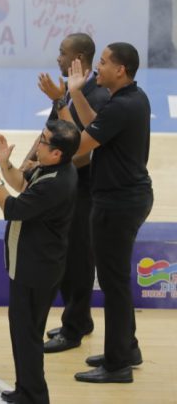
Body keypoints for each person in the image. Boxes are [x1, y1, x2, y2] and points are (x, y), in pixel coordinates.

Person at [0, 120, 80, 404]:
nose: (38, 143)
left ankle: (34, 395)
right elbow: (21, 183)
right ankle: (25, 389)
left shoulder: (56, 184)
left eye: (43, 141)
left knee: (27, 334)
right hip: (34, 266)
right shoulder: (55, 168)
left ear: (57, 152)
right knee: (23, 332)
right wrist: (5, 163)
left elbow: (12, 207)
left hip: (36, 271)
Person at [66, 43, 153, 384]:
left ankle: (118, 365)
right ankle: (126, 348)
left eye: (102, 63)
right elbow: (97, 126)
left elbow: (81, 146)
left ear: (121, 70)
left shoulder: (123, 106)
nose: (96, 68)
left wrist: (56, 130)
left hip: (117, 204)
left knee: (114, 285)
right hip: (129, 198)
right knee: (117, 281)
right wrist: (77, 94)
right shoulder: (131, 99)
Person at [36, 33, 109, 353]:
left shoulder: (99, 96)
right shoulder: (66, 92)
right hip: (66, 187)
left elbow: (83, 152)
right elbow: (52, 132)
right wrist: (30, 163)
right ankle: (80, 320)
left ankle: (75, 328)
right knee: (67, 259)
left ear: (79, 58)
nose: (58, 59)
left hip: (86, 189)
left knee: (78, 262)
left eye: (63, 54)